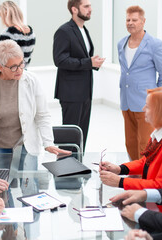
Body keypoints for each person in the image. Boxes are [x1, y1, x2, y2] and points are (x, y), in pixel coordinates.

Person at [0, 40, 70, 167]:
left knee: (30, 186)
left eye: (21, 63)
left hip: (25, 146)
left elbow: (42, 115)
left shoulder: (32, 81)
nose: (19, 70)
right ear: (0, 67)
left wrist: (48, 142)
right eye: (13, 67)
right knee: (0, 185)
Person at [100, 87, 162, 213]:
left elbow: (160, 188)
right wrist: (120, 169)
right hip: (150, 204)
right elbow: (145, 161)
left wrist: (121, 182)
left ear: (160, 111)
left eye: (148, 106)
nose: (143, 109)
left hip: (161, 212)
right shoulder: (161, 133)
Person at [118, 6, 162, 161]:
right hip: (126, 101)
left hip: (145, 102)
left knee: (145, 144)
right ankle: (133, 173)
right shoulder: (121, 43)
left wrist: (154, 95)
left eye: (134, 20)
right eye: (128, 20)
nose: (130, 23)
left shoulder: (155, 44)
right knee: (130, 142)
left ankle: (146, 177)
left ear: (143, 21)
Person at [53, 0, 105, 151]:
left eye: (90, 6)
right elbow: (60, 60)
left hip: (85, 92)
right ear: (74, 9)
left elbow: (83, 58)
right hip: (71, 93)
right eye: (86, 6)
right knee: (70, 136)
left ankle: (78, 165)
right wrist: (89, 63)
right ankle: (65, 167)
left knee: (81, 135)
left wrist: (93, 63)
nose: (90, 9)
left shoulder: (83, 30)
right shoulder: (64, 31)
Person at [0, 1, 36, 69]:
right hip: (23, 73)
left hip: (9, 76)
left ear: (5, 15)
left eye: (0, 16)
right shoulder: (31, 33)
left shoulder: (8, 33)